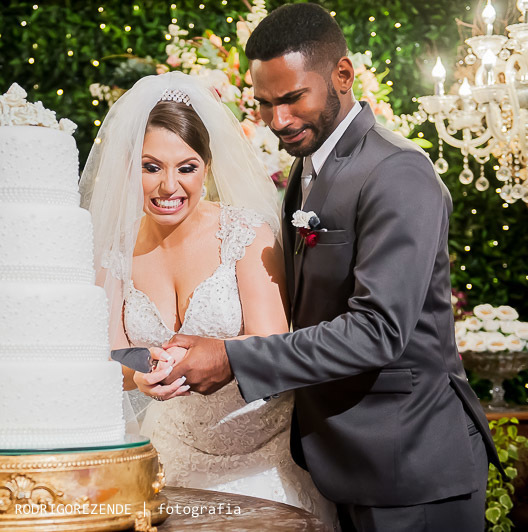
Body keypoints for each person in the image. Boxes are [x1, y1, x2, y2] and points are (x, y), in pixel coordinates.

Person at [154, 4, 500, 532]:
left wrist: (233, 358)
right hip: (340, 463)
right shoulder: (308, 170)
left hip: (410, 470)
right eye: (266, 104)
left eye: (293, 99)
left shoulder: (396, 172)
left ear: (343, 75)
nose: (279, 121)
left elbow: (378, 331)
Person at [79, 71, 336, 525]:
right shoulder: (113, 250)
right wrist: (139, 375)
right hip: (172, 454)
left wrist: (216, 355)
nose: (168, 187)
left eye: (186, 167)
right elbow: (113, 355)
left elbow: (274, 347)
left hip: (263, 454)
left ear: (208, 166)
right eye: (151, 166)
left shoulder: (245, 234)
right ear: (128, 166)